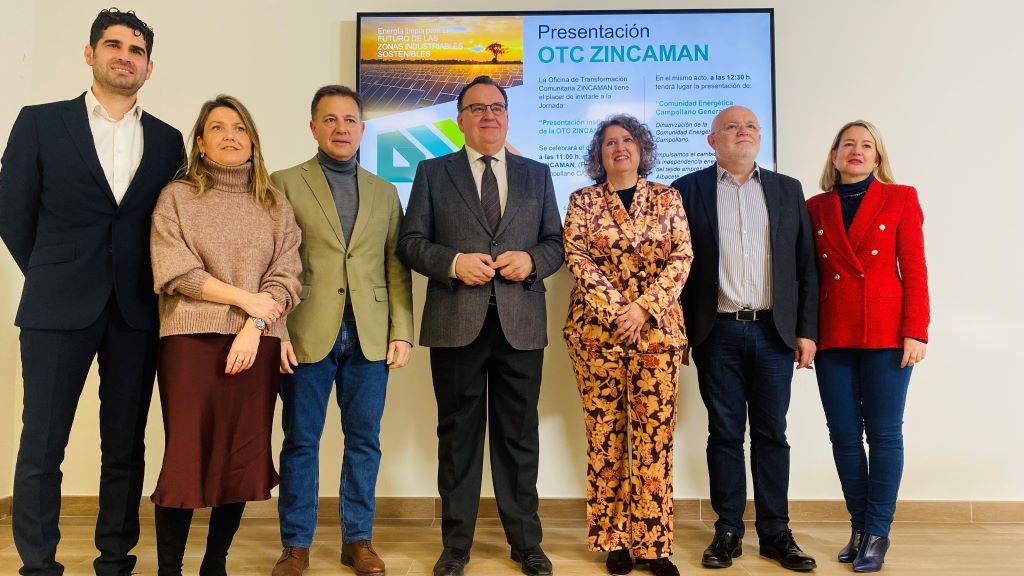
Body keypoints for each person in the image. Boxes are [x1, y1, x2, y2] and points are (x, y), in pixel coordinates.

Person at [0, 9, 184, 575]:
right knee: (42, 444)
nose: (125, 56)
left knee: (124, 447)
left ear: (149, 67)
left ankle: (115, 559)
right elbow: (12, 212)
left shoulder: (168, 140)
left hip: (136, 311)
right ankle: (38, 565)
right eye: (113, 45)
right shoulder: (40, 122)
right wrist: (52, 271)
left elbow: (171, 226)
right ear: (90, 54)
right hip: (56, 307)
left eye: (136, 50)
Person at [397, 75, 564, 576]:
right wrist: (452, 263)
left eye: (497, 107)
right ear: (460, 120)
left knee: (519, 437)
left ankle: (526, 543)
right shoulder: (432, 171)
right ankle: (456, 547)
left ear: (507, 116)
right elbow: (411, 242)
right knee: (458, 438)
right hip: (456, 322)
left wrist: (531, 261)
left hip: (521, 324)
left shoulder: (537, 174)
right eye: (477, 108)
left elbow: (555, 243)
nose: (488, 115)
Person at [149, 95, 301, 576]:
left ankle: (215, 564)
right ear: (200, 142)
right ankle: (170, 569)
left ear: (253, 140)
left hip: (257, 342)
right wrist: (247, 302)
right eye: (217, 128)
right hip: (190, 341)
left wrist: (255, 325)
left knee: (241, 457)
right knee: (185, 458)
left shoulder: (274, 204)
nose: (230, 136)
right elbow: (175, 270)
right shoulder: (176, 197)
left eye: (239, 127)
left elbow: (287, 276)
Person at [269, 85, 414, 576]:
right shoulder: (284, 183)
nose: (341, 128)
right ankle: (296, 545)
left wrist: (402, 330)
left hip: (370, 335)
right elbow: (273, 262)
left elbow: (395, 266)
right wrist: (276, 331)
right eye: (329, 119)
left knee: (364, 441)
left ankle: (358, 540)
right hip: (306, 331)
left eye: (350, 120)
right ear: (313, 128)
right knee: (300, 441)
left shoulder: (384, 191)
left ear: (363, 129)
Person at [670, 106, 819, 572]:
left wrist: (807, 331)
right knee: (725, 434)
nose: (743, 133)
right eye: (731, 127)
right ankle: (728, 530)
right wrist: (681, 332)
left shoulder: (787, 189)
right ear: (712, 140)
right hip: (716, 333)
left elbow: (806, 266)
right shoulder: (686, 190)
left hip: (775, 333)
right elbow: (674, 267)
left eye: (751, 126)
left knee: (773, 434)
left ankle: (775, 532)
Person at [563, 115, 692, 576]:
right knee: (605, 436)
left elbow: (682, 257)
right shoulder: (582, 200)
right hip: (596, 336)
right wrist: (621, 310)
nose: (619, 148)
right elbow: (576, 257)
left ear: (642, 149)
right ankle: (613, 540)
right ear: (598, 154)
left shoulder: (667, 197)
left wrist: (643, 310)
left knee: (654, 439)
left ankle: (654, 544)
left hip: (657, 335)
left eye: (628, 140)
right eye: (610, 142)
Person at [806, 120, 929, 573]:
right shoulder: (815, 207)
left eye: (866, 145)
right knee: (843, 434)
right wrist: (805, 333)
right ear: (834, 155)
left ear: (878, 158)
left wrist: (916, 330)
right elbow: (808, 276)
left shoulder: (901, 198)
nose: (856, 151)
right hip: (833, 331)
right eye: (848, 144)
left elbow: (914, 268)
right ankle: (859, 527)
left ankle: (877, 531)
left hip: (886, 332)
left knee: (884, 433)